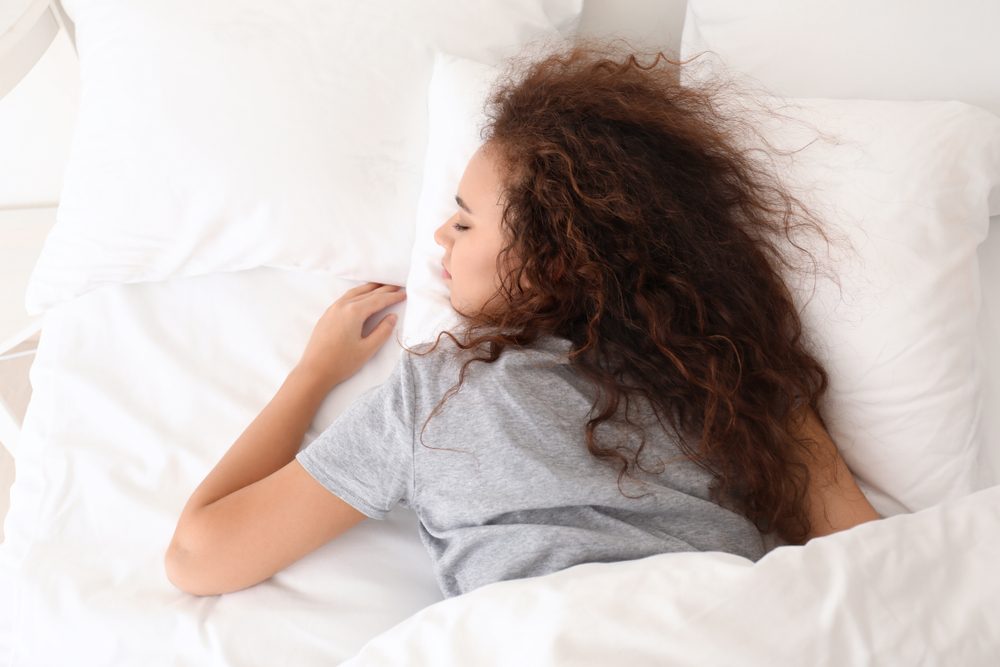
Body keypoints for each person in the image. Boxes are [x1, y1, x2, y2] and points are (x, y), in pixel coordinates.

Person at [165, 38, 882, 599]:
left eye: (466, 223)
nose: (440, 238)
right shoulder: (738, 378)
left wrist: (313, 373)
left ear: (556, 260)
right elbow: (877, 563)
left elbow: (199, 556)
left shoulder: (439, 392)